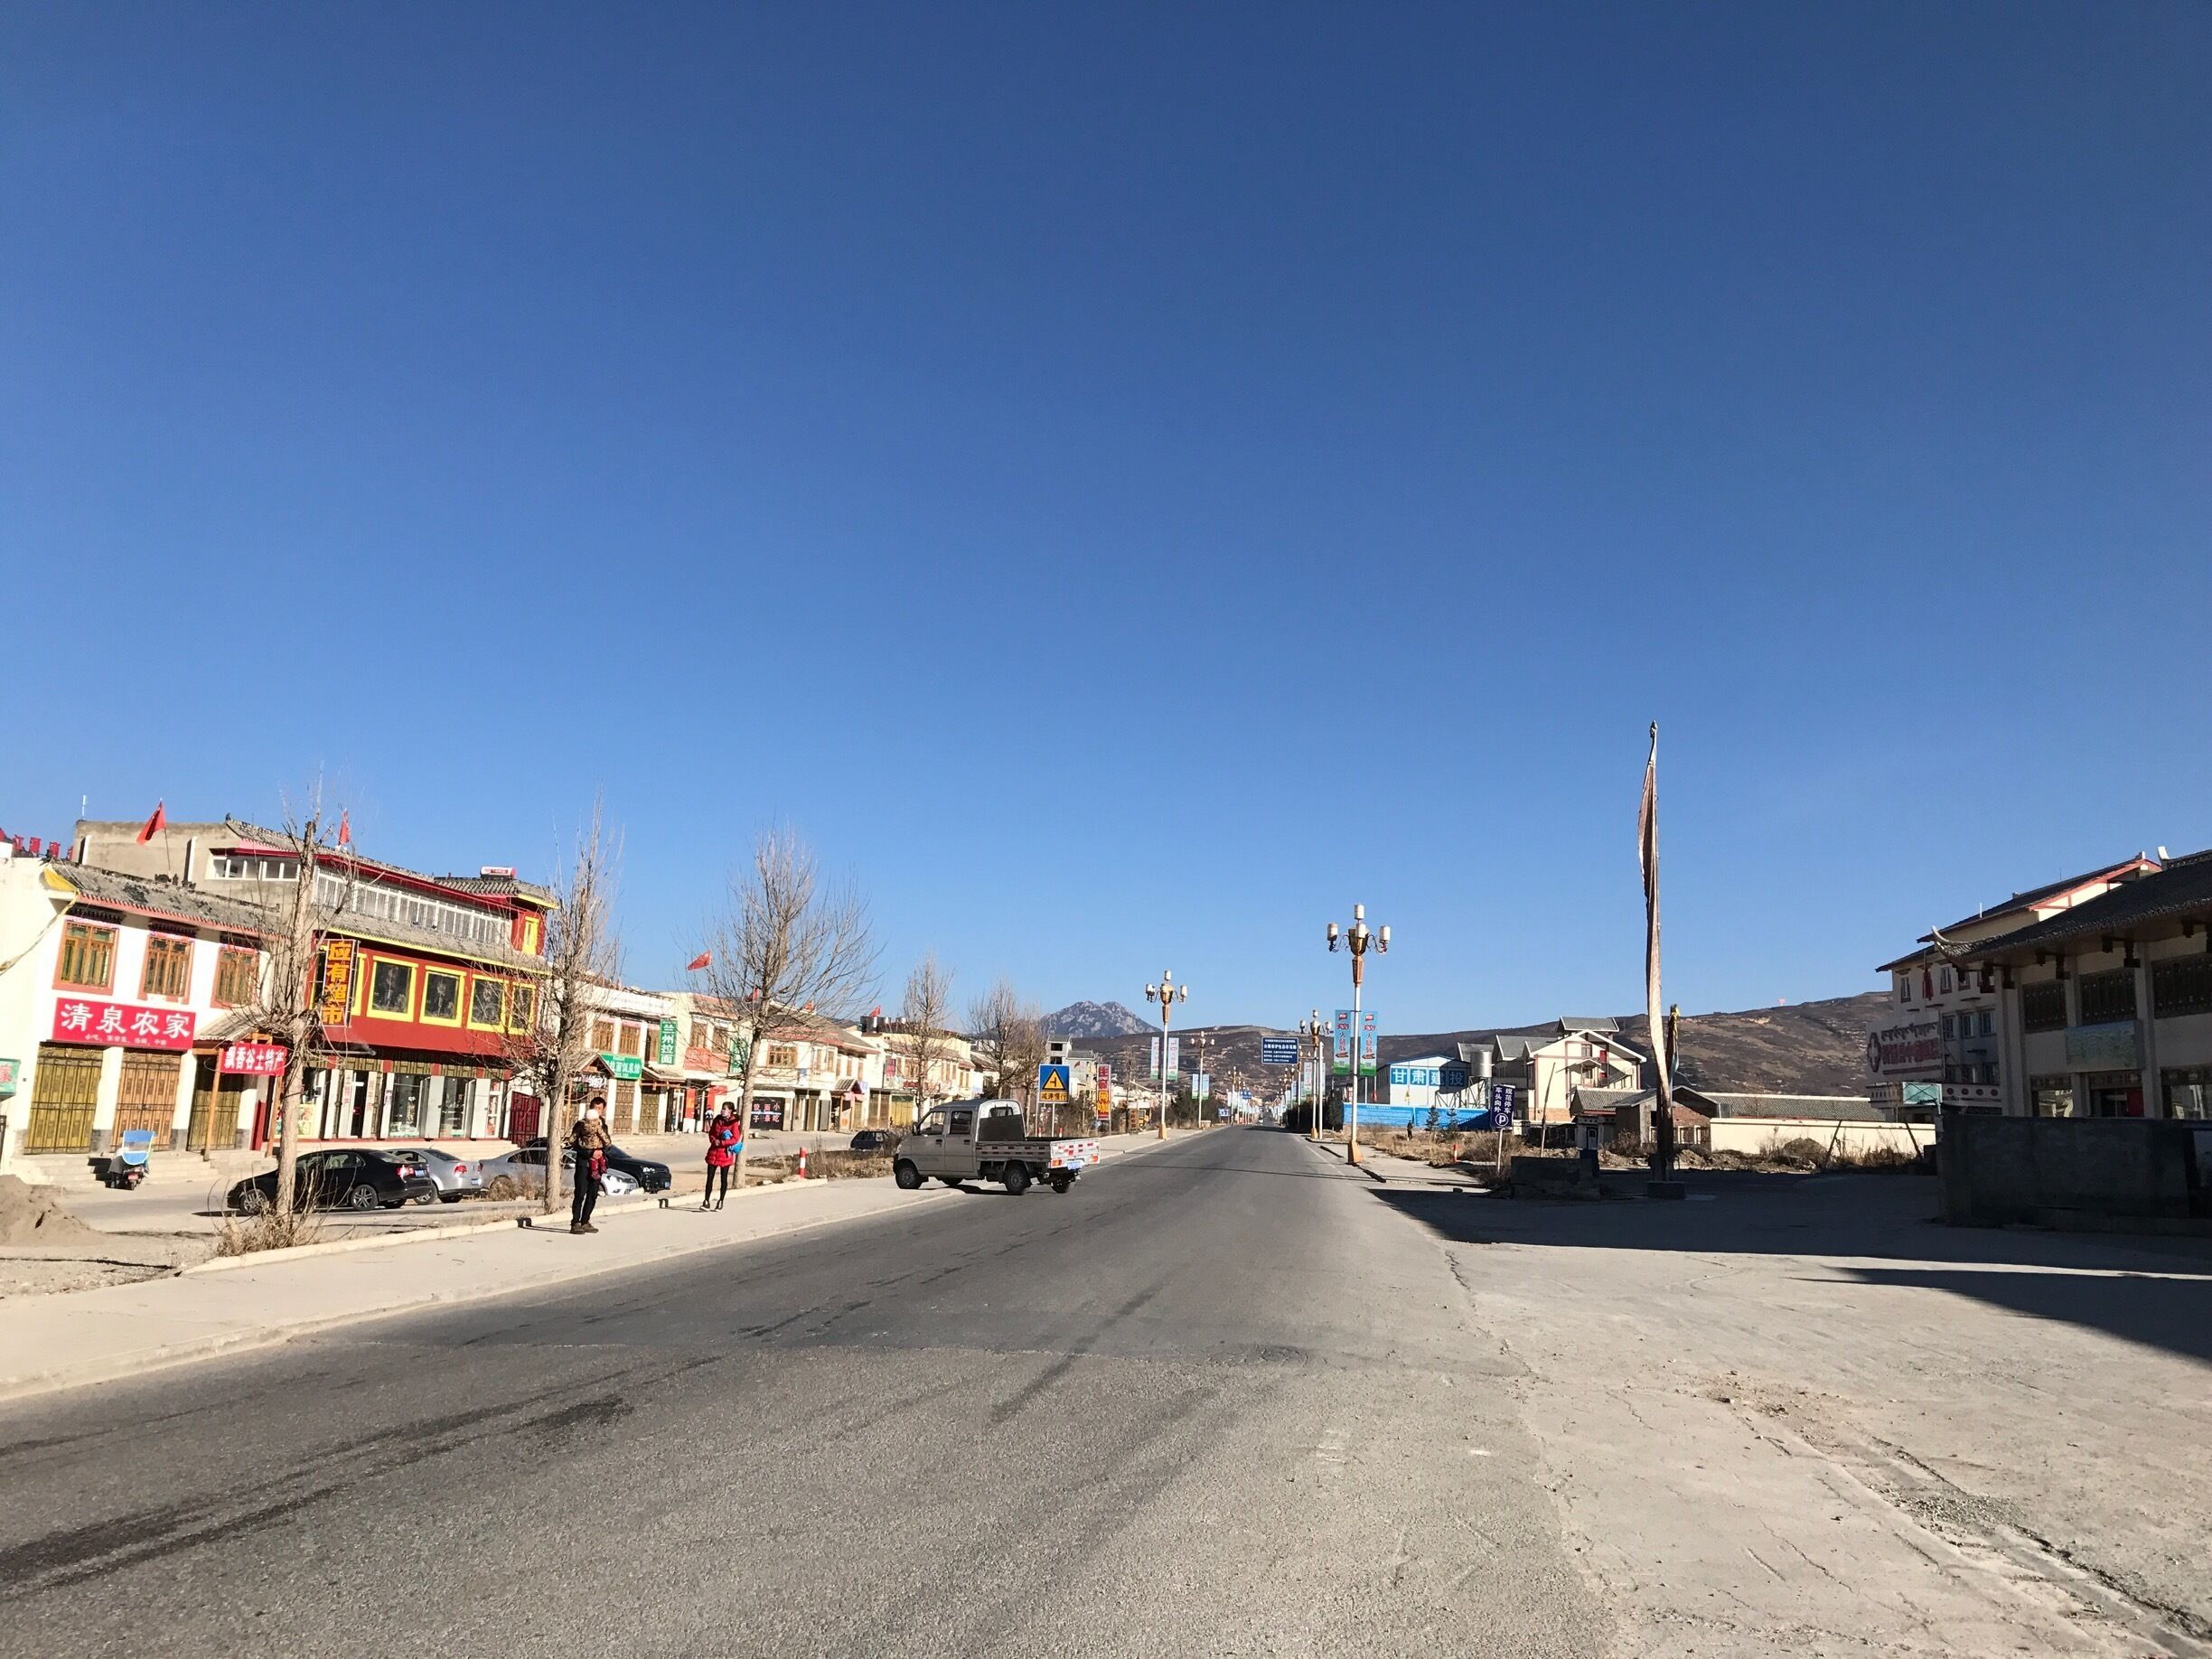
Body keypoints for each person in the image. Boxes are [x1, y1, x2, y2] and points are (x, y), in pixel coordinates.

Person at [567, 1097, 612, 1234]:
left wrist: (600, 1152)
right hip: (583, 1164)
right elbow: (573, 1143)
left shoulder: (602, 1125)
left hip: (598, 1165)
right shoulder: (581, 1125)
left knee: (592, 1195)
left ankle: (586, 1221)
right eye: (594, 1108)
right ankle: (576, 1222)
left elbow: (608, 1143)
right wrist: (590, 1153)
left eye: (600, 1108)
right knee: (580, 1194)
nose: (597, 1111)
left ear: (603, 1110)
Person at [700, 1102, 741, 1210]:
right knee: (710, 1178)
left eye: (725, 1109)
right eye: (722, 1109)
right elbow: (711, 1133)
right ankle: (706, 1201)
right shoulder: (717, 1120)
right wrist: (714, 1141)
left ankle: (721, 1201)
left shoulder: (734, 1123)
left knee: (724, 1178)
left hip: (725, 1154)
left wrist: (722, 1143)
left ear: (730, 1111)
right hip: (713, 1152)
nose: (722, 1111)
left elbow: (735, 1139)